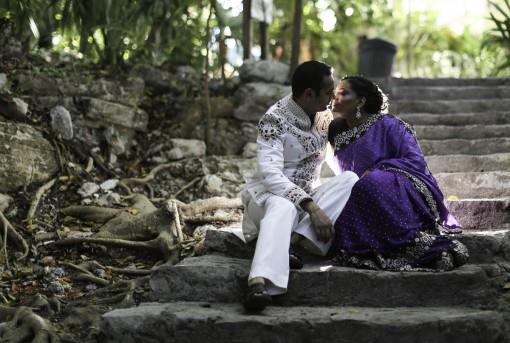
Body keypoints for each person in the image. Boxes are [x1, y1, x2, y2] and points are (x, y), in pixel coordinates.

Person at [241, 61, 358, 312]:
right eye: (327, 92)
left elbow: (333, 161)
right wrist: (312, 207)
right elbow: (270, 175)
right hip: (269, 198)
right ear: (308, 93)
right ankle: (259, 282)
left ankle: (292, 242)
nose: (332, 97)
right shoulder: (273, 119)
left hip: (308, 198)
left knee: (351, 179)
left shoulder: (325, 117)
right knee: (283, 206)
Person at [328, 75, 468, 271]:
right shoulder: (335, 132)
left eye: (344, 93)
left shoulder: (389, 124)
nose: (336, 97)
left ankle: (414, 243)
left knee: (373, 182)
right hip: (359, 193)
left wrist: (378, 169)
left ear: (361, 101)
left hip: (398, 186)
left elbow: (414, 160)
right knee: (354, 190)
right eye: (335, 93)